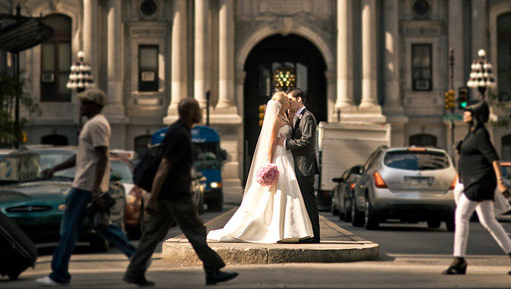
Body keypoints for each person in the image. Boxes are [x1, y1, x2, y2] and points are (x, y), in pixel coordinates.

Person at [124, 98, 237, 287]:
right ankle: (212, 270)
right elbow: (164, 166)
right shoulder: (179, 134)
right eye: (197, 109)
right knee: (196, 231)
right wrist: (152, 197)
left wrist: (156, 196)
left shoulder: (180, 130)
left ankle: (135, 272)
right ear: (189, 112)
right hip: (176, 195)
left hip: (169, 195)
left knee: (152, 234)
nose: (201, 112)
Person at [37, 88, 136, 287]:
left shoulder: (97, 124)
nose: (80, 107)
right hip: (86, 185)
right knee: (102, 227)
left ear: (94, 105)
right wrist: (55, 169)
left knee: (68, 230)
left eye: (84, 103)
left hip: (85, 186)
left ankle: (59, 274)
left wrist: (95, 190)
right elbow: (83, 155)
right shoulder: (91, 125)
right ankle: (137, 256)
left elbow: (101, 157)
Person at [207, 91, 313, 243]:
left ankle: (288, 231)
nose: (290, 103)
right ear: (282, 104)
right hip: (279, 158)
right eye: (288, 101)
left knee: (288, 193)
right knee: (279, 193)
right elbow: (270, 143)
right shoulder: (276, 120)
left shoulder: (286, 116)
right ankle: (277, 230)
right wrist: (270, 164)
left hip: (287, 158)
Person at [444, 100, 511, 276]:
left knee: (461, 216)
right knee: (488, 221)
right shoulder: (472, 133)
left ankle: (458, 260)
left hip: (480, 181)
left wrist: (500, 181)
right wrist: (461, 147)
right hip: (475, 181)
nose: (465, 113)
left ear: (475, 115)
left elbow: (493, 158)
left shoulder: (481, 133)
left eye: (468, 111)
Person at [283, 88, 320, 243]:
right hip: (298, 166)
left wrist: (286, 143)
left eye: (291, 100)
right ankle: (307, 233)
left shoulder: (308, 117)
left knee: (308, 202)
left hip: (304, 167)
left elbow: (306, 140)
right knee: (303, 203)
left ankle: (315, 236)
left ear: (299, 100)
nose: (289, 103)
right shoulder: (298, 117)